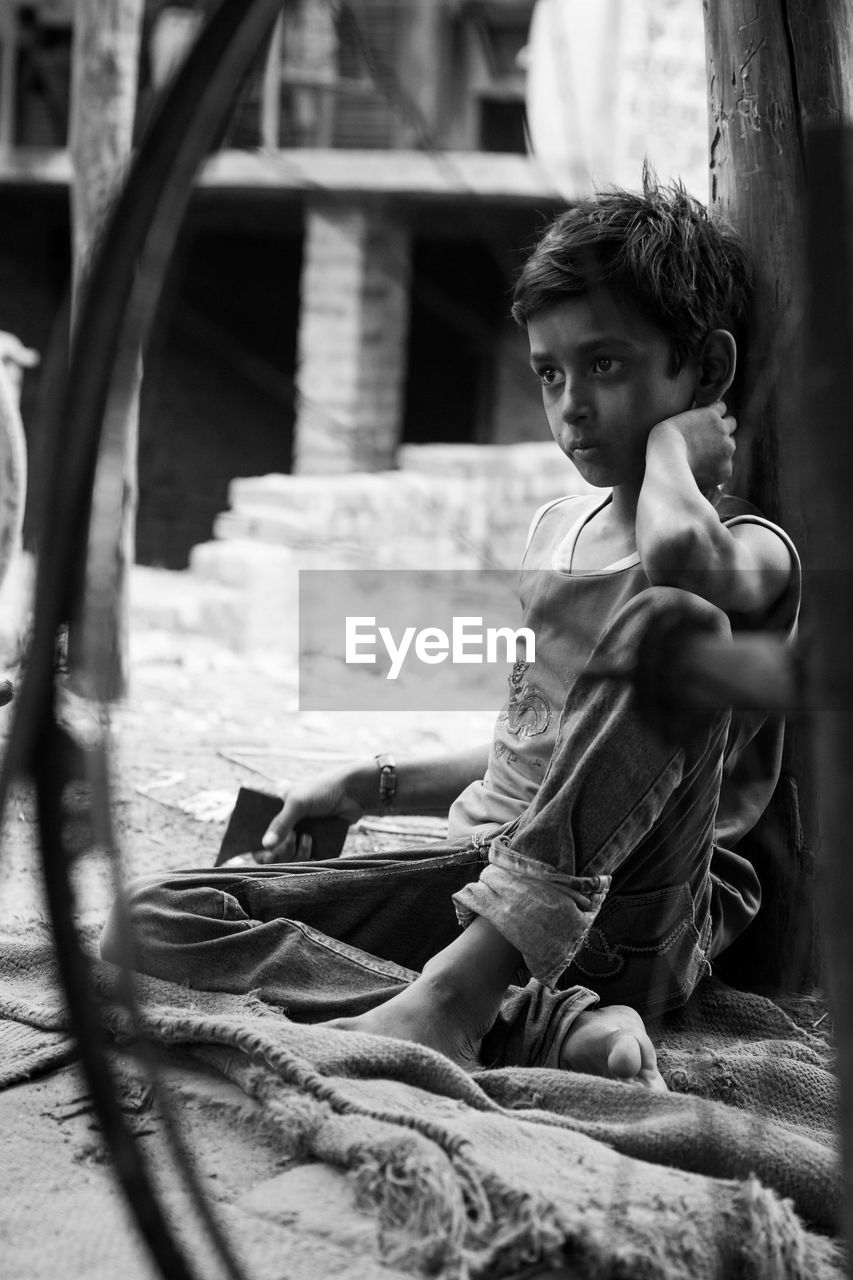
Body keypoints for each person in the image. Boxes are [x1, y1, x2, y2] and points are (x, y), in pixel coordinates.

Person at [103, 181, 799, 1092]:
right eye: (549, 374)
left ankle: (456, 998)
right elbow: (537, 749)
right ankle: (526, 1019)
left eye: (605, 366)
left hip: (638, 911)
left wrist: (675, 451)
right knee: (155, 917)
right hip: (483, 876)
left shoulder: (750, 552)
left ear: (705, 373)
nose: (570, 408)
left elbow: (675, 565)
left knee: (674, 628)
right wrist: (372, 780)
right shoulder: (557, 530)